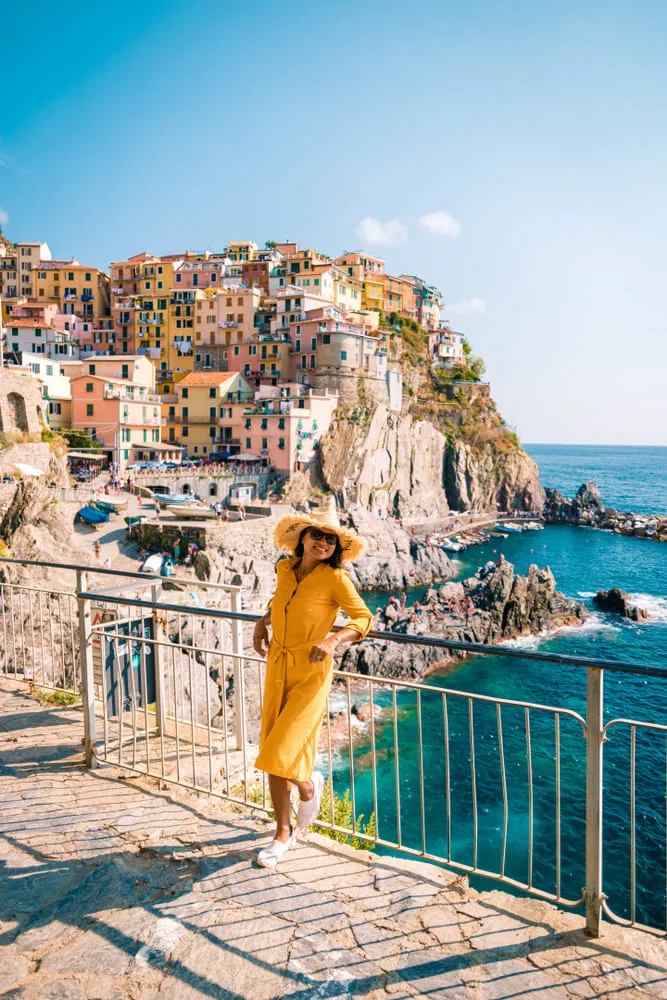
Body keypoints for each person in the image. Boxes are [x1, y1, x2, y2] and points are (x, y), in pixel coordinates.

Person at [252, 500, 372, 869]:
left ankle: (293, 815)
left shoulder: (336, 578)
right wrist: (262, 621)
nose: (323, 542)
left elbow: (364, 618)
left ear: (337, 548)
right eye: (316, 535)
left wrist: (333, 640)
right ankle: (288, 819)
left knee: (278, 752)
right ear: (302, 538)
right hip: (277, 666)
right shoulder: (285, 569)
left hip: (311, 673)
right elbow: (281, 602)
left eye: (331, 539)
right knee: (274, 750)